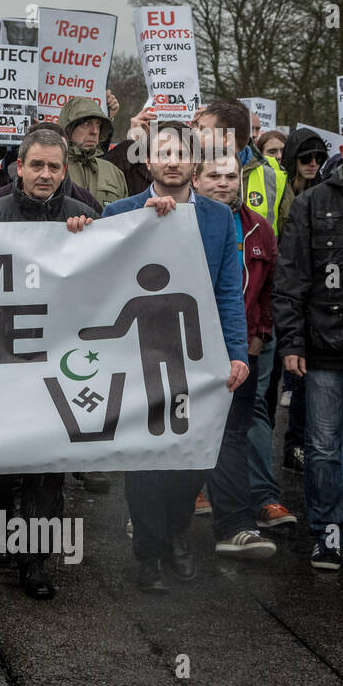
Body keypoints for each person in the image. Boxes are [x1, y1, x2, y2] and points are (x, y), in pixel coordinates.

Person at [99, 120, 255, 593]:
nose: (171, 160)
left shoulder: (215, 216)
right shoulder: (122, 210)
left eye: (180, 152)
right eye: (161, 152)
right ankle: (149, 552)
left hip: (199, 354)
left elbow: (229, 290)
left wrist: (236, 352)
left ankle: (175, 535)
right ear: (146, 161)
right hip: (140, 352)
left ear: (194, 162)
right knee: (147, 456)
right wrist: (140, 226)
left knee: (193, 457)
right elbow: (98, 279)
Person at [0, 129, 95, 600]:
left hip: (57, 364)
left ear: (64, 169)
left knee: (47, 467)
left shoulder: (84, 217)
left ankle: (35, 562)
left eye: (54, 167)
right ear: (20, 167)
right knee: (1, 463)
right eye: (37, 166)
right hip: (1, 364)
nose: (45, 175)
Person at [273, 114, 343, 573]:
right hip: (323, 348)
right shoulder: (312, 204)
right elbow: (291, 279)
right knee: (321, 445)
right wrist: (293, 342)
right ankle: (327, 529)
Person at [191, 154, 293, 534]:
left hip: (241, 347)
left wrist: (257, 337)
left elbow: (269, 289)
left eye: (231, 176)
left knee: (241, 426)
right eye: (214, 176)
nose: (223, 183)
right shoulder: (179, 222)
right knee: (184, 421)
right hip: (189, 343)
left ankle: (255, 504)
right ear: (196, 179)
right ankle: (181, 497)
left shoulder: (260, 229)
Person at [275, 129, 328, 473]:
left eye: (318, 159)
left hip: (317, 294)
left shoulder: (329, 194)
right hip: (283, 288)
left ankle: (301, 444)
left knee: (307, 379)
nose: (312, 164)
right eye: (305, 158)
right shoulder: (279, 190)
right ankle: (293, 444)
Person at [197, 100, 289, 236]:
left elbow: (290, 239)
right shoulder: (189, 172)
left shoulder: (274, 178)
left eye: (203, 131)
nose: (195, 135)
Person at [57, 97, 126, 209]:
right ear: (68, 129)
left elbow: (123, 217)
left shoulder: (114, 172)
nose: (94, 131)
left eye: (98, 124)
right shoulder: (53, 167)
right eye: (85, 124)